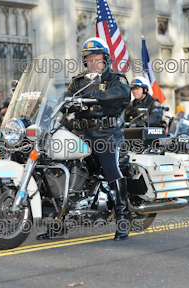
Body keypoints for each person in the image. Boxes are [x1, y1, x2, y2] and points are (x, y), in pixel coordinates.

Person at [62, 37, 130, 240]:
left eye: (96, 57)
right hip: (81, 134)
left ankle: (123, 218)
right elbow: (65, 101)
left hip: (106, 135)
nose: (92, 61)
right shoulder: (79, 82)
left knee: (111, 169)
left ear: (105, 59)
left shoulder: (115, 79)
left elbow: (123, 94)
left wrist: (94, 98)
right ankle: (60, 220)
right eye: (88, 58)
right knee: (63, 168)